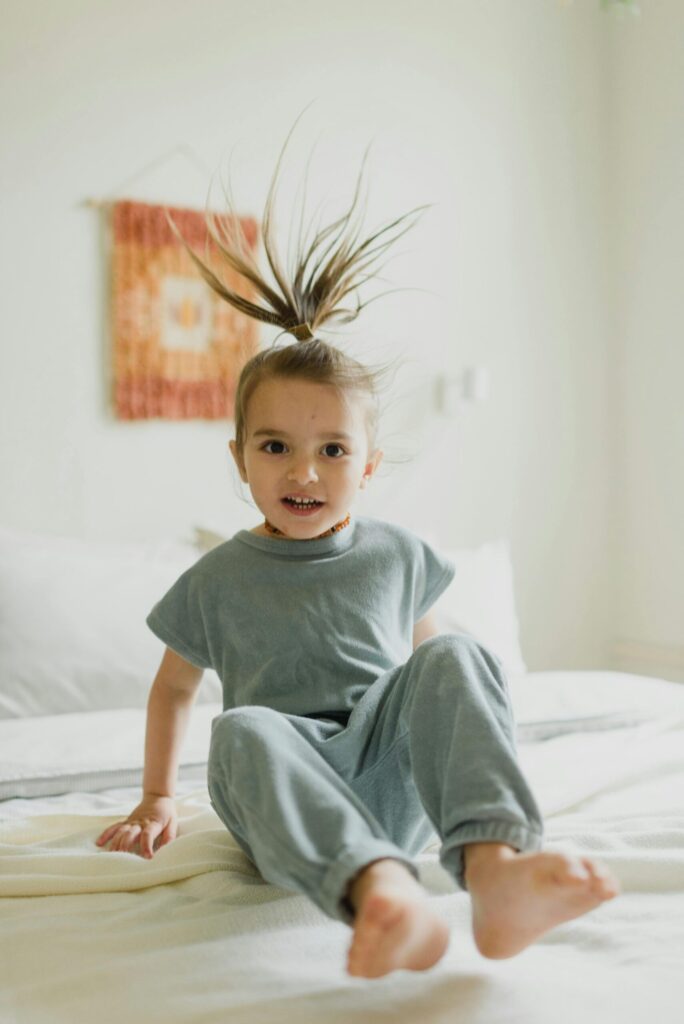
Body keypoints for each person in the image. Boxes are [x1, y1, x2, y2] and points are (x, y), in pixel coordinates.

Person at [96, 124, 620, 979]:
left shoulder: (399, 555)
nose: (304, 471)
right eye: (275, 447)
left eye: (333, 451)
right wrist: (157, 798)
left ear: (368, 466)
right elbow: (174, 689)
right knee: (244, 727)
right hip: (286, 798)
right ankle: (381, 895)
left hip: (390, 785)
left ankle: (494, 871)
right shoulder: (217, 579)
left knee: (458, 653)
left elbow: (438, 685)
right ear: (240, 459)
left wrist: (450, 724)